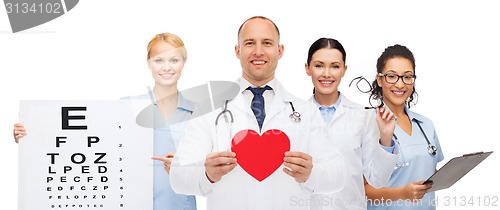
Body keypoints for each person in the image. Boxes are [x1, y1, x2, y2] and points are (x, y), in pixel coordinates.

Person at [169, 16, 346, 210]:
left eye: (267, 43)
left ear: (280, 51)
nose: (258, 52)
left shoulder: (305, 111)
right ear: (238, 51)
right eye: (250, 43)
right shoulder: (209, 109)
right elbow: (178, 177)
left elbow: (338, 175)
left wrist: (312, 174)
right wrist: (206, 174)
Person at [13, 32, 197, 210]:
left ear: (184, 62)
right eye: (159, 60)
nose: (167, 67)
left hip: (179, 205)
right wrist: (32, 134)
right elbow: (84, 142)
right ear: (149, 63)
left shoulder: (198, 115)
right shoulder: (125, 109)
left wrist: (184, 167)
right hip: (130, 204)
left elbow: (209, 171)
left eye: (174, 60)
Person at [304, 37, 399, 210]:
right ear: (307, 68)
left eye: (335, 66)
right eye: (319, 65)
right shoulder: (294, 115)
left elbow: (377, 179)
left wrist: (386, 138)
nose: (327, 74)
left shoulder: (363, 116)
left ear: (344, 70)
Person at [364, 44, 444, 210]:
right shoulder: (366, 124)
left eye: (407, 77)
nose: (400, 85)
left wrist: (452, 173)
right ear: (379, 80)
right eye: (392, 76)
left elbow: (428, 169)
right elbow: (362, 189)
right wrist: (402, 193)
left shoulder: (426, 125)